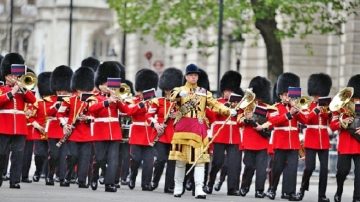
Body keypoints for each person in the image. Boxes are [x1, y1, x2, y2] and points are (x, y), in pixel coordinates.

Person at [168, 64, 236, 199]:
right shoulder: (179, 90)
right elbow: (172, 97)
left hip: (198, 130)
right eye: (191, 75)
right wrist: (179, 94)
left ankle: (199, 188)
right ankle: (178, 186)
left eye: (195, 75)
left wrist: (228, 110)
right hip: (183, 128)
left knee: (199, 161)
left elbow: (215, 105)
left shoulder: (204, 92)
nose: (193, 77)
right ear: (186, 76)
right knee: (180, 161)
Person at [266, 72, 306, 201]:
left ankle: (290, 192)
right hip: (280, 142)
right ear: (281, 95)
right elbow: (273, 121)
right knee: (277, 168)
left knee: (292, 169)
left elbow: (305, 120)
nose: (288, 97)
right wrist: (289, 114)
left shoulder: (295, 107)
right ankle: (272, 189)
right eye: (285, 94)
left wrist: (295, 108)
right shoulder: (275, 107)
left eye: (289, 95)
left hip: (293, 142)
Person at [0, 53, 37, 188]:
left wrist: (22, 88)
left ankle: (15, 180)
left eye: (16, 76)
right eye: (11, 76)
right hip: (3, 125)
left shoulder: (23, 90)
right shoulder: (1, 89)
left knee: (18, 155)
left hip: (20, 127)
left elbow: (33, 100)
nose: (14, 78)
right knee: (1, 154)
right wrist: (12, 91)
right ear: (5, 76)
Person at [204, 70, 242, 196]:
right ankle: (210, 184)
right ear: (223, 91)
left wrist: (239, 112)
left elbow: (241, 121)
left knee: (233, 164)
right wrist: (225, 108)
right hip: (220, 136)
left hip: (234, 137)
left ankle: (232, 188)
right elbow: (212, 116)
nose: (229, 93)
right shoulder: (217, 102)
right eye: (227, 91)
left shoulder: (239, 104)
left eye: (231, 91)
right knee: (217, 162)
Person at [57, 67, 95, 188]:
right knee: (72, 156)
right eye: (79, 89)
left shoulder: (92, 100)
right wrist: (64, 124)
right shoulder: (69, 100)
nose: (81, 91)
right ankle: (67, 177)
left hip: (87, 133)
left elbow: (95, 116)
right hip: (72, 133)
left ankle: (82, 180)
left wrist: (87, 118)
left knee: (85, 158)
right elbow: (60, 113)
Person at [147, 67, 183, 193]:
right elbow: (149, 116)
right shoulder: (158, 101)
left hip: (175, 135)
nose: (169, 92)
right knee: (161, 159)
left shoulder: (181, 104)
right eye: (167, 90)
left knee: (172, 161)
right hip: (161, 134)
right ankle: (154, 181)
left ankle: (169, 185)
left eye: (171, 90)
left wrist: (178, 115)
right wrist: (156, 124)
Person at [298, 73, 332, 202]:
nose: (318, 96)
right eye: (317, 94)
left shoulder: (326, 105)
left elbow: (330, 121)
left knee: (324, 170)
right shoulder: (307, 104)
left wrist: (329, 112)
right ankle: (301, 190)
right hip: (311, 139)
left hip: (323, 140)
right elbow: (306, 119)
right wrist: (317, 110)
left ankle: (321, 195)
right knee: (309, 168)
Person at [239, 76, 272, 198]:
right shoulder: (246, 105)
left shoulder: (267, 106)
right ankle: (244, 187)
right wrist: (245, 119)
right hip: (249, 140)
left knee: (261, 169)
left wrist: (262, 127)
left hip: (262, 140)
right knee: (249, 167)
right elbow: (238, 120)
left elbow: (271, 121)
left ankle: (259, 190)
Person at [330, 75, 360, 202]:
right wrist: (343, 122)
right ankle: (339, 190)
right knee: (342, 172)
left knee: (359, 175)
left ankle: (357, 197)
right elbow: (332, 125)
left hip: (359, 144)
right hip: (346, 144)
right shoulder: (341, 105)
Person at [128, 69, 158, 191]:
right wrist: (141, 104)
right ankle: (132, 176)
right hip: (137, 133)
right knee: (135, 160)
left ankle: (146, 183)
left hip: (150, 134)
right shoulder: (134, 101)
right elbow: (129, 111)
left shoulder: (155, 102)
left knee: (149, 162)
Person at [46, 65, 73, 186]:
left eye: (64, 90)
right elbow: (46, 113)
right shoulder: (51, 99)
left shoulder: (72, 99)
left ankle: (62, 177)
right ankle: (50, 175)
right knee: (54, 155)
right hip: (54, 130)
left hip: (66, 131)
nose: (61, 92)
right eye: (59, 90)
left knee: (64, 155)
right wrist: (56, 105)